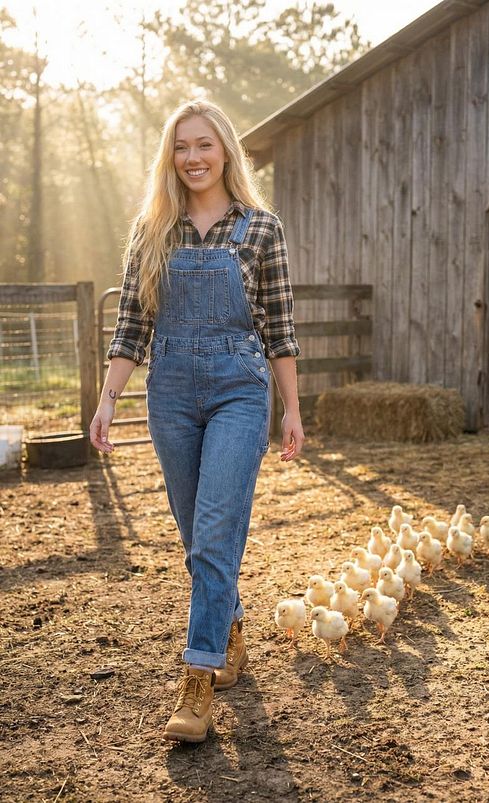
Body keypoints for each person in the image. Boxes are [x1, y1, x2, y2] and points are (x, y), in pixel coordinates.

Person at [89, 98, 304, 743]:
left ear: (226, 151)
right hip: (172, 394)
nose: (193, 158)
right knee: (196, 538)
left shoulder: (261, 229)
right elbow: (131, 322)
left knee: (214, 529)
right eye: (181, 147)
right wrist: (107, 401)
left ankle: (199, 678)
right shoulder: (151, 231)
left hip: (241, 391)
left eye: (204, 144)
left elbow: (281, 328)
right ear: (169, 157)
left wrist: (292, 408)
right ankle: (232, 630)